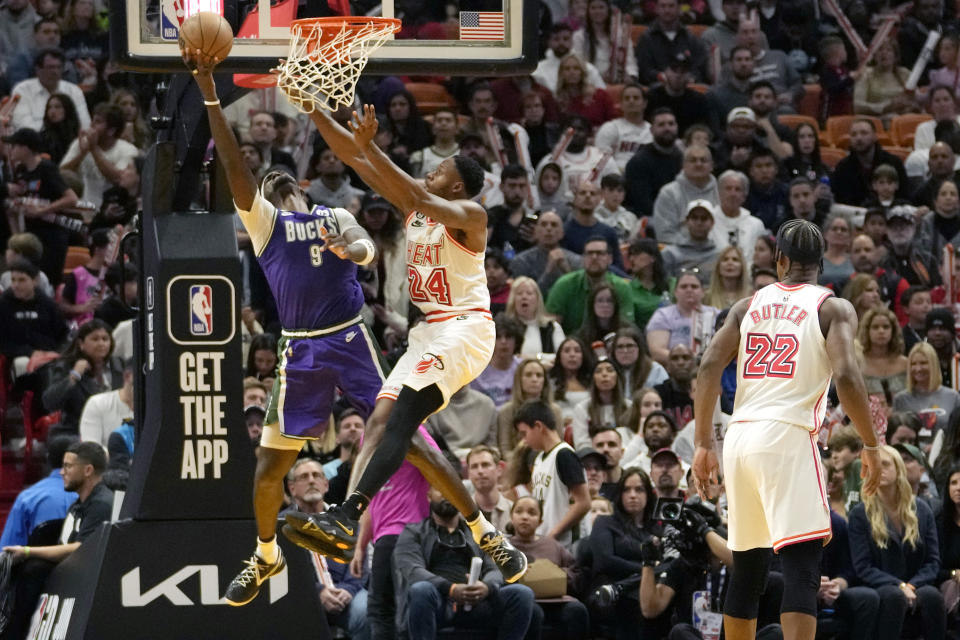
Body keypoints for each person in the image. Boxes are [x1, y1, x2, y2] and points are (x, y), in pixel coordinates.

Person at [271, 100, 525, 576]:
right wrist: (317, 112)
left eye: (439, 169)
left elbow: (415, 193)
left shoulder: (470, 214)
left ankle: (347, 515)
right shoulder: (416, 212)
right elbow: (355, 159)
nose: (430, 172)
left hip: (464, 329)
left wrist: (374, 147)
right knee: (379, 420)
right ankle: (346, 518)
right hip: (426, 333)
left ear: (456, 183)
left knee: (403, 416)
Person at [182, 50, 395, 604]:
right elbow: (237, 171)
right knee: (268, 470)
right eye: (269, 188)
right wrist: (209, 90)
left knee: (405, 434)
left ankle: (474, 527)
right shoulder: (267, 224)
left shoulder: (332, 214)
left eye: (283, 185)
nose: (276, 189)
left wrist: (356, 246)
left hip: (350, 337)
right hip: (302, 348)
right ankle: (265, 552)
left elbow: (368, 249)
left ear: (302, 190)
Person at [692, 218, 882, 640]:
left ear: (779, 260)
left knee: (749, 568)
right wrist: (871, 444)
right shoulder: (832, 307)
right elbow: (848, 378)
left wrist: (703, 443)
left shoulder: (746, 306)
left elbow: (707, 368)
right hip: (788, 435)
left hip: (740, 437)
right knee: (801, 566)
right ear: (820, 264)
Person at [393, 487, 539, 640]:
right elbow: (413, 571)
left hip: (477, 600)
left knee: (522, 594)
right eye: (441, 490)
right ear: (429, 496)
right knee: (421, 589)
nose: (447, 496)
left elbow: (496, 567)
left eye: (452, 490)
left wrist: (486, 587)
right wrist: (451, 589)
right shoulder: (413, 532)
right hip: (438, 602)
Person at [1, 441, 113, 640]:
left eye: (68, 466)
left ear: (88, 470)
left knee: (33, 568)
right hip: (67, 578)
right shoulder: (78, 505)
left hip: (83, 584)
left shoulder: (102, 504)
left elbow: (81, 548)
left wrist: (28, 551)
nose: (62, 472)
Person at [848, 445, 946, 640]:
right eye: (875, 466)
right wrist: (899, 585)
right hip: (879, 584)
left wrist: (911, 585)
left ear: (898, 469)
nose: (879, 470)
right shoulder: (860, 513)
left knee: (932, 596)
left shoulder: (922, 509)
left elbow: (933, 562)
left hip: (916, 583)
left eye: (885, 464)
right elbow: (863, 567)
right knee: (893, 596)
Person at [284, 459, 370, 640]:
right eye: (304, 477)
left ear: (326, 484)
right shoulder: (280, 525)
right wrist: (318, 592)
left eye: (316, 476)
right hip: (303, 596)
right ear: (292, 488)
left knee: (366, 609)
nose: (311, 481)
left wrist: (348, 590)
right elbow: (282, 573)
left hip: (345, 592)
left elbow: (360, 563)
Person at [588, 467, 661, 640]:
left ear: (648, 495)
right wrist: (646, 570)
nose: (633, 495)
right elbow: (605, 561)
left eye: (639, 489)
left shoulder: (657, 530)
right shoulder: (605, 522)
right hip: (609, 586)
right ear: (620, 494)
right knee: (635, 601)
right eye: (627, 489)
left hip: (646, 589)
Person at [2, 127, 79, 286]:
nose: (11, 150)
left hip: (51, 235)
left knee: (48, 281)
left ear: (26, 148)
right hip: (31, 235)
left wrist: (42, 211)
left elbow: (71, 198)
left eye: (15, 146)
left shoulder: (46, 168)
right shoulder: (21, 171)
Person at [508, 496, 590, 640]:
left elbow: (576, 571)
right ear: (511, 517)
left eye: (532, 513)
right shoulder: (503, 546)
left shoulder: (552, 545)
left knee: (577, 610)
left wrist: (554, 576)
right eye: (519, 512)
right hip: (525, 602)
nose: (525, 517)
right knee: (533, 612)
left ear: (540, 521)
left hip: (555, 600)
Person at [515, 400, 591, 547]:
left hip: (565, 545)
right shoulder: (538, 459)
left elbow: (583, 503)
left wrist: (553, 535)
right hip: (544, 542)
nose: (524, 441)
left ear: (538, 426)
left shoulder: (564, 455)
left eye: (524, 434)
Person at [59, 102, 140, 210]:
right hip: (85, 207)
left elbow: (118, 180)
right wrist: (82, 154)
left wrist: (94, 149)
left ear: (111, 131)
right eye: (93, 120)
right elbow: (62, 173)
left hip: (114, 210)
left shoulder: (128, 150)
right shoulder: (80, 144)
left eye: (98, 122)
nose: (91, 125)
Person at [0, 435, 77, 547]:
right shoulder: (91, 496)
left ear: (47, 459)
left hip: (36, 562)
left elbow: (7, 550)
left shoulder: (27, 497)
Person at [546, 237, 634, 334]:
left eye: (600, 253)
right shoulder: (564, 284)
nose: (594, 257)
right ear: (583, 258)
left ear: (610, 259)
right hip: (571, 345)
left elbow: (626, 328)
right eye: (589, 253)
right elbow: (551, 326)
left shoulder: (622, 287)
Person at [893, 342, 960, 447]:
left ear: (933, 364)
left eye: (923, 363)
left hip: (945, 456)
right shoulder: (900, 399)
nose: (918, 368)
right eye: (913, 364)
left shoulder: (953, 397)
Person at [645, 270, 719, 365]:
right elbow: (657, 351)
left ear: (703, 292)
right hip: (674, 369)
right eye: (683, 287)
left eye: (694, 286)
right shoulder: (663, 315)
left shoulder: (716, 314)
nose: (689, 290)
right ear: (675, 292)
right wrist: (686, 361)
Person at [652, 145, 720, 245]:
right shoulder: (669, 193)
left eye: (703, 160)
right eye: (693, 160)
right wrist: (696, 247)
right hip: (680, 253)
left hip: (718, 251)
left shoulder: (722, 191)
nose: (698, 164)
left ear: (712, 165)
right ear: (683, 165)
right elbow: (665, 235)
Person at [624, 108, 683, 218]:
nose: (667, 128)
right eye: (661, 125)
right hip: (649, 218)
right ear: (651, 130)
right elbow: (643, 204)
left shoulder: (683, 158)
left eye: (671, 124)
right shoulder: (639, 162)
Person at [497, 357, 561, 455]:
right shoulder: (506, 411)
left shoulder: (554, 410)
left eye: (539, 375)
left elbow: (558, 445)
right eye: (528, 375)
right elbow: (505, 450)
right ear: (519, 380)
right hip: (516, 463)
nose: (534, 379)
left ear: (544, 381)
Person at [510, 212, 584, 294]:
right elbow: (524, 297)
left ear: (562, 233)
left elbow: (581, 295)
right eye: (543, 224)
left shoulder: (577, 261)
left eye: (554, 225)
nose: (549, 228)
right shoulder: (521, 261)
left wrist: (566, 270)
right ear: (536, 232)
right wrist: (548, 272)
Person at [570, 358, 630, 449]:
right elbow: (581, 444)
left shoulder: (630, 407)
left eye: (610, 370)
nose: (604, 374)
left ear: (618, 377)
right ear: (593, 379)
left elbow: (634, 439)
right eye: (598, 371)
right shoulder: (582, 409)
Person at [502, 276, 565, 361]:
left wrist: (537, 357)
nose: (524, 297)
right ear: (513, 300)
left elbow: (563, 357)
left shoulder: (552, 327)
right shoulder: (506, 328)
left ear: (537, 299)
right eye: (519, 293)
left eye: (529, 293)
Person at [857, 307, 908, 410]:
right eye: (875, 327)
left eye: (886, 327)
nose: (881, 331)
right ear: (867, 330)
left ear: (893, 330)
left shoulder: (905, 364)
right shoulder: (858, 363)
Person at [595, 84, 651, 172]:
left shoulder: (653, 131)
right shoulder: (610, 128)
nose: (631, 101)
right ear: (620, 104)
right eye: (627, 98)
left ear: (645, 103)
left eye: (636, 98)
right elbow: (600, 159)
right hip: (615, 179)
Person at [625, 238, 672, 329]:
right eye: (630, 255)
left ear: (652, 257)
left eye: (636, 254)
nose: (631, 259)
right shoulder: (628, 288)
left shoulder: (673, 284)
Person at [467, 445, 514, 532]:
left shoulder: (513, 513)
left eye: (485, 465)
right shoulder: (461, 514)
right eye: (474, 466)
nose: (480, 471)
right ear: (469, 473)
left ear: (499, 469)